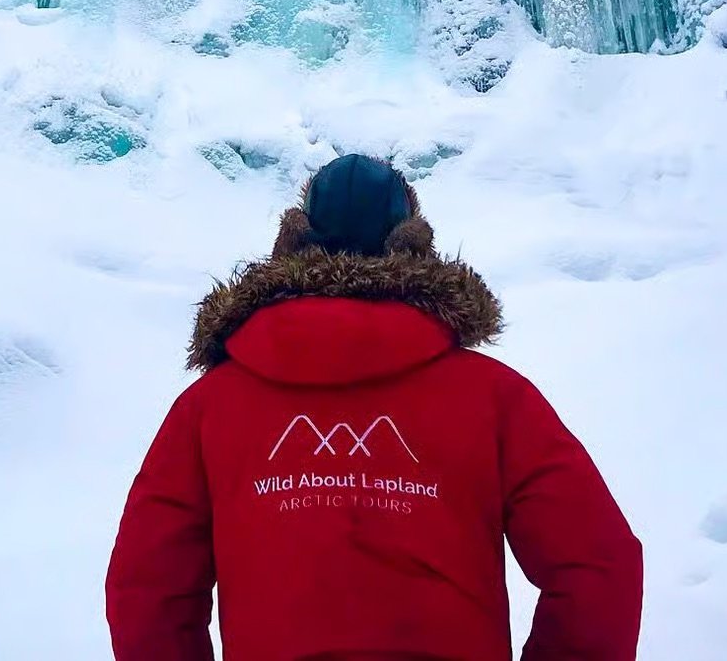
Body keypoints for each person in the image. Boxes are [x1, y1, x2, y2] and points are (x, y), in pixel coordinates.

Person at [106, 153, 642, 661]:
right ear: (412, 244)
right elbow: (598, 568)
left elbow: (148, 589)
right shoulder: (497, 398)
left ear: (294, 242)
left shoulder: (208, 408)